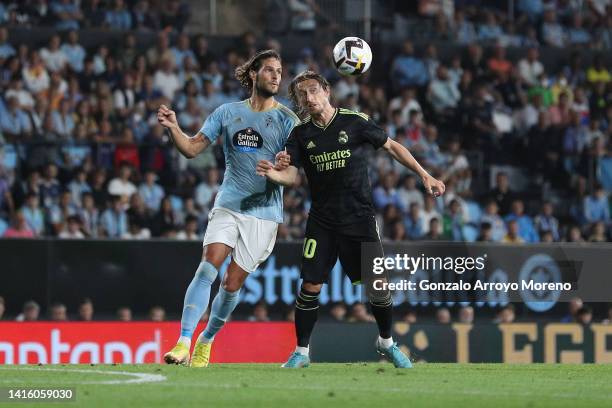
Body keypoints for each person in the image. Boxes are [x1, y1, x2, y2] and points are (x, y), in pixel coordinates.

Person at [257, 70, 445, 369]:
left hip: (359, 220)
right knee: (310, 287)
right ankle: (302, 353)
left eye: (314, 90)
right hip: (322, 222)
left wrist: (425, 174)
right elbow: (291, 176)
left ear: (326, 91)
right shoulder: (300, 135)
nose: (309, 98)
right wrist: (274, 174)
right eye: (303, 94)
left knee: (378, 287)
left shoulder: (355, 122)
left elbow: (393, 146)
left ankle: (386, 343)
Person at [159, 50, 299, 367]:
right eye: (269, 70)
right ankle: (182, 341)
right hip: (229, 204)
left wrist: (277, 173)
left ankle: (205, 340)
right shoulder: (226, 112)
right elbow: (193, 149)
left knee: (231, 284)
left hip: (264, 215)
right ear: (253, 74)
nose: (276, 76)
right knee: (209, 264)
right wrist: (174, 128)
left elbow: (293, 175)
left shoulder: (288, 121)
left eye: (279, 71)